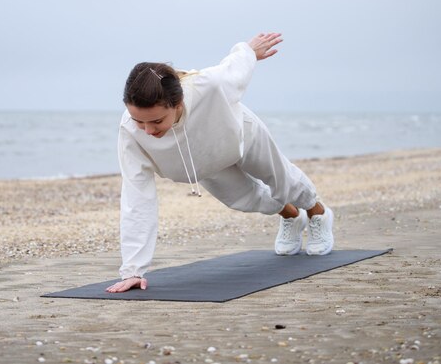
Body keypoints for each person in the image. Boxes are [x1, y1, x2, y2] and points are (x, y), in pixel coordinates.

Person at [106, 32, 334, 293]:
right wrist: (133, 269)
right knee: (248, 199)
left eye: (157, 121)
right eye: (139, 121)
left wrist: (249, 51)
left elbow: (236, 65)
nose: (148, 130)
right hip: (203, 164)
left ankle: (319, 214)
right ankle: (292, 217)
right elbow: (137, 197)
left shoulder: (209, 85)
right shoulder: (129, 131)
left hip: (240, 136)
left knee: (284, 182)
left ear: (177, 103)